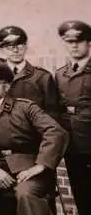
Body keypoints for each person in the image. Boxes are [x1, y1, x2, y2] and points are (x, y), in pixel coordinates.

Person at [0, 59, 68, 215]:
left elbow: (55, 131)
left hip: (28, 168)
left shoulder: (26, 108)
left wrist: (41, 165)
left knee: (26, 193)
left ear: (7, 86)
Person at [55, 20, 91, 215]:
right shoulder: (60, 74)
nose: (74, 46)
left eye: (79, 41)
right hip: (73, 145)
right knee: (80, 193)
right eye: (69, 42)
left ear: (89, 43)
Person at [0, 26, 60, 118]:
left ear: (26, 46)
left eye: (19, 44)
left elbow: (53, 112)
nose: (15, 50)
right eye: (9, 46)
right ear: (1, 50)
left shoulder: (42, 76)